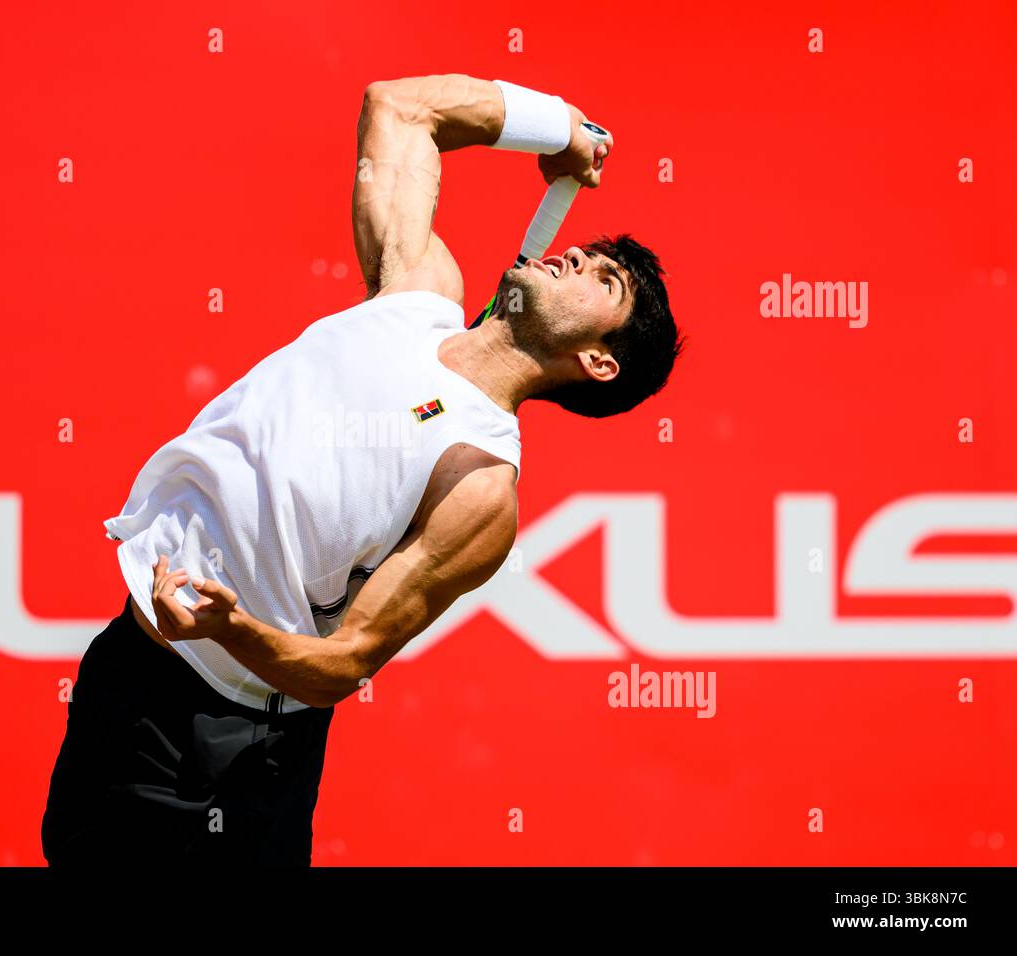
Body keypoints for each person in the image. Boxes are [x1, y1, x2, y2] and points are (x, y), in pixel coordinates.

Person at [41, 73, 684, 867]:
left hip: (228, 750)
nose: (580, 254)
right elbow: (400, 106)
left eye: (605, 280)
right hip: (127, 668)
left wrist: (229, 626)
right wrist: (553, 125)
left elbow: (341, 668)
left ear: (596, 361)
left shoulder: (479, 485)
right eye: (593, 253)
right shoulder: (416, 291)